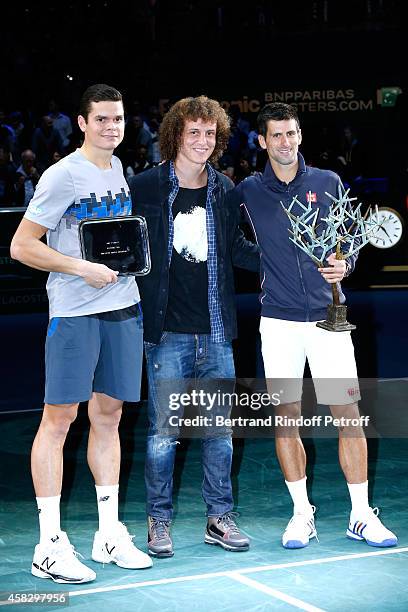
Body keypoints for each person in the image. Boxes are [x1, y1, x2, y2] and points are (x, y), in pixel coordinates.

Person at [235, 102, 397, 550]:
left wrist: (345, 263)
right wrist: (264, 263)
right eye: (277, 136)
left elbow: (350, 242)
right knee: (286, 419)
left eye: (292, 134)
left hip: (330, 320)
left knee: (349, 416)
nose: (286, 143)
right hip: (279, 324)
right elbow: (232, 241)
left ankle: (361, 516)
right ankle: (301, 514)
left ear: (299, 135)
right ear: (263, 141)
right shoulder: (247, 190)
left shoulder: (328, 182)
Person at [10, 83, 152, 584]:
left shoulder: (117, 170)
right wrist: (78, 267)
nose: (112, 127)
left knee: (109, 417)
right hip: (75, 313)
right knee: (59, 419)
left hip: (123, 307)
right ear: (82, 122)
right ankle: (48, 545)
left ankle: (108, 534)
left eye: (119, 119)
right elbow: (21, 246)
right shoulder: (61, 175)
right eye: (103, 119)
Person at [129, 95, 259, 558]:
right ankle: (158, 522)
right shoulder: (143, 186)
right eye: (194, 133)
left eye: (210, 133)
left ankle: (218, 518)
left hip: (218, 332)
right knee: (164, 434)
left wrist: (286, 263)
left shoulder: (225, 189)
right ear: (176, 136)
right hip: (167, 334)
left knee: (219, 433)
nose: (203, 142)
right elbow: (123, 244)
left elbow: (239, 249)